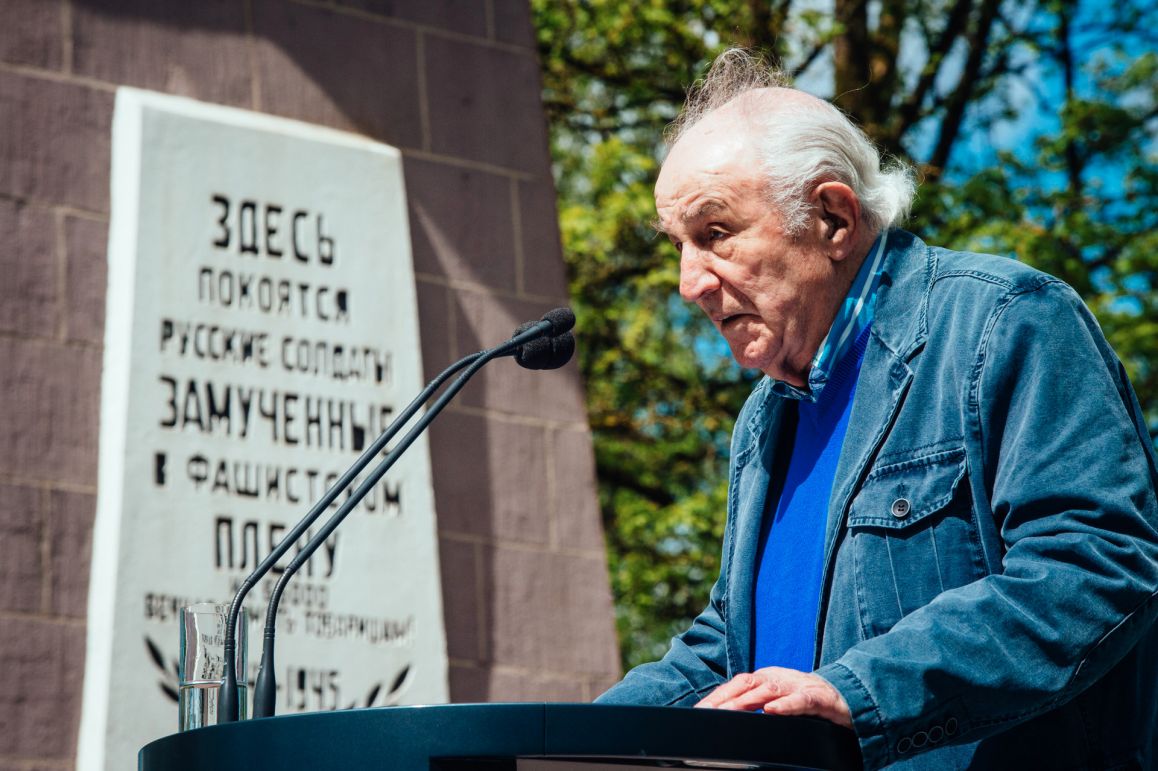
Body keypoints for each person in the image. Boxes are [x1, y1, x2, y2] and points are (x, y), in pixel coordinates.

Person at [595, 49, 1158, 770]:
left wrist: (861, 692)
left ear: (833, 217)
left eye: (714, 233)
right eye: (678, 245)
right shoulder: (766, 419)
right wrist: (564, 738)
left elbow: (1097, 562)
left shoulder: (1005, 321)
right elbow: (732, 648)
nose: (689, 283)